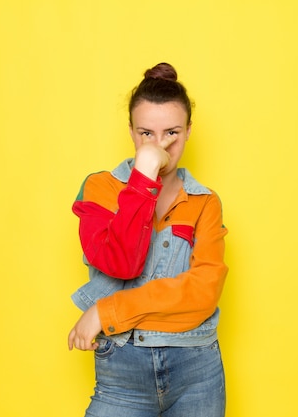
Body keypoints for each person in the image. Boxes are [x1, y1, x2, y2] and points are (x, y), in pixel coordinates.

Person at [67, 62, 229, 417]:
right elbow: (121, 263)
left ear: (188, 132)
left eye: (171, 133)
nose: (159, 147)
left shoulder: (205, 203)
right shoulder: (100, 188)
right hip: (121, 372)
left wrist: (106, 310)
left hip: (196, 369)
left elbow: (203, 292)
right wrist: (143, 177)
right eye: (146, 134)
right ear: (130, 132)